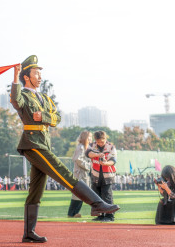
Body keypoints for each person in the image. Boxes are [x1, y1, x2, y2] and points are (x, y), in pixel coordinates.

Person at [11, 56, 119, 243]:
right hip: (32, 144)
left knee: (36, 190)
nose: (40, 77)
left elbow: (57, 117)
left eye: (40, 74)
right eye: (36, 73)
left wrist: (43, 116)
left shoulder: (44, 98)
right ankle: (96, 203)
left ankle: (29, 233)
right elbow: (15, 100)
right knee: (64, 173)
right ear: (26, 76)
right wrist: (15, 77)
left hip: (43, 144)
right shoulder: (24, 95)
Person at [86, 131, 117, 222]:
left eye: (102, 142)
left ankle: (109, 216)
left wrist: (106, 163)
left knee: (107, 196)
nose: (100, 144)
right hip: (95, 175)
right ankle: (99, 215)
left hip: (107, 175)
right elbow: (88, 153)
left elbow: (113, 160)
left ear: (105, 139)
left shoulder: (111, 147)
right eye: (98, 142)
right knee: (96, 197)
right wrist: (97, 154)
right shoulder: (92, 145)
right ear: (95, 140)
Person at [67, 131, 92, 218]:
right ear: (85, 138)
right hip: (80, 173)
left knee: (81, 194)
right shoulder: (81, 147)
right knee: (78, 194)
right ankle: (72, 213)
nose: (90, 139)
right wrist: (89, 166)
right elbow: (78, 159)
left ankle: (74, 213)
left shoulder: (87, 147)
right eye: (89, 137)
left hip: (84, 173)